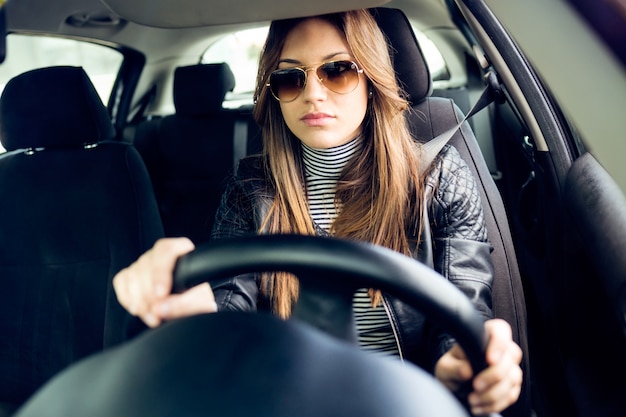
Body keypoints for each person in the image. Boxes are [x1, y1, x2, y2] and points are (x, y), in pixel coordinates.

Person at [114, 9, 522, 415]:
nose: (312, 93)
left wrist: (462, 362)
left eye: (338, 70)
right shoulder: (249, 187)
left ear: (372, 79)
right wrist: (194, 308)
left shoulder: (440, 177)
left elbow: (465, 310)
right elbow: (229, 302)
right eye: (290, 77)